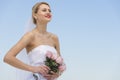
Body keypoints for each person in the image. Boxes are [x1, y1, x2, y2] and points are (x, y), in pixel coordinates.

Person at [4, 2, 65, 80]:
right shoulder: (30, 36)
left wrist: (57, 73)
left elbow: (60, 63)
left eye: (49, 10)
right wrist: (33, 68)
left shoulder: (54, 38)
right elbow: (8, 57)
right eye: (44, 10)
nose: (48, 12)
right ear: (35, 15)